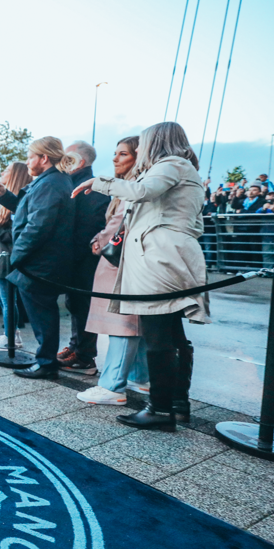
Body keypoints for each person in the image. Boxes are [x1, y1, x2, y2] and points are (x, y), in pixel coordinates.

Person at [74, 121, 208, 431]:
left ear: (155, 142)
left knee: (159, 334)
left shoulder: (172, 164)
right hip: (166, 255)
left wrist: (98, 182)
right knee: (171, 334)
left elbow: (144, 191)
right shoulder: (178, 167)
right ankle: (175, 404)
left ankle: (160, 409)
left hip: (160, 259)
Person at [0, 137, 78, 380]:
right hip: (41, 261)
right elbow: (29, 208)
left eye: (30, 156)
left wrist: (17, 256)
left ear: (44, 158)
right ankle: (45, 360)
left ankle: (46, 363)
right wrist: (4, 196)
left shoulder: (51, 183)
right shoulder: (51, 181)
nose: (27, 162)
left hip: (40, 263)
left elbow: (38, 225)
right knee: (42, 314)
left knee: (43, 315)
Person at [76, 136, 151, 406]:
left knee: (122, 322)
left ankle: (112, 385)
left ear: (137, 158)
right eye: (115, 153)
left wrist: (98, 241)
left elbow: (119, 222)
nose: (115, 159)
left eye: (123, 154)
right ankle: (141, 377)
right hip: (132, 263)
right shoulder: (138, 186)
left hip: (119, 264)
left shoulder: (131, 188)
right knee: (135, 321)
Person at [57, 141, 110, 375]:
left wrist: (71, 256)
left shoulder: (91, 186)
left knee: (82, 304)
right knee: (75, 303)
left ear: (80, 160)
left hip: (83, 257)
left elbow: (86, 226)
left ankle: (85, 355)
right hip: (76, 255)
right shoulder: (75, 182)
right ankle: (77, 346)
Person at [0, 162, 32, 351]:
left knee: (8, 300)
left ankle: (12, 337)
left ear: (15, 176)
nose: (2, 173)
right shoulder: (6, 201)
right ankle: (11, 334)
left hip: (6, 257)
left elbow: (13, 235)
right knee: (4, 300)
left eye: (6, 171)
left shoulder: (18, 202)